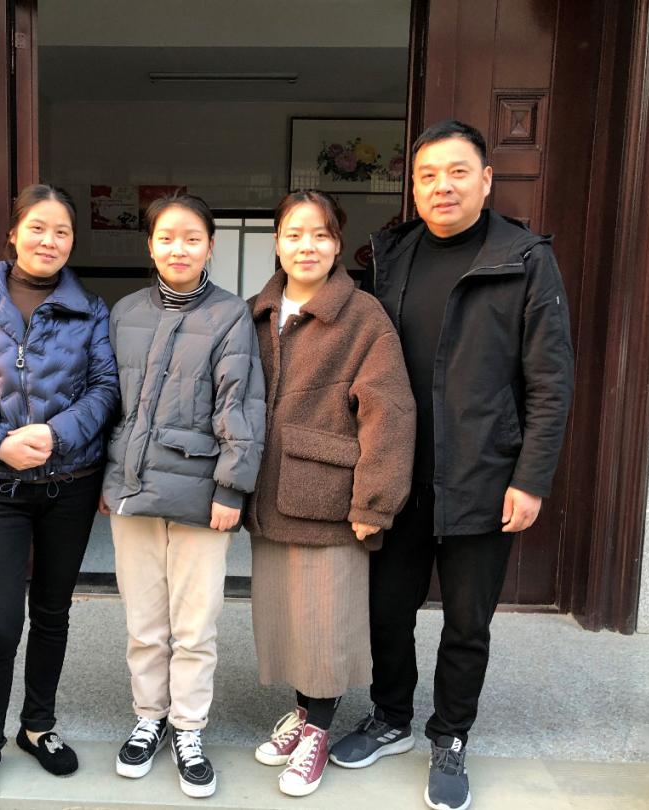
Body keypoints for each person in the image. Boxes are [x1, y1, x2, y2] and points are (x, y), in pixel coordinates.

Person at [329, 120, 574, 810]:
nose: (443, 186)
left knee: (467, 622)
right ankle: (390, 716)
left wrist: (531, 478)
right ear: (414, 188)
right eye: (428, 175)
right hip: (397, 472)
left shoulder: (524, 259)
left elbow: (552, 381)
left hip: (483, 475)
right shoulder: (391, 254)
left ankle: (451, 734)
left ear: (487, 180)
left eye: (458, 172)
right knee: (386, 610)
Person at [0, 184, 119, 808]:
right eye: (38, 227)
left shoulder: (89, 309)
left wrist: (56, 435)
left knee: (53, 612)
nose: (49, 240)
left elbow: (104, 388)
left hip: (69, 483)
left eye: (62, 231)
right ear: (14, 233)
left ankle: (37, 726)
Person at [246, 190, 415, 797]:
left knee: (324, 621)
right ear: (277, 242)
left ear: (338, 243)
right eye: (294, 234)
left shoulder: (363, 316)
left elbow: (389, 412)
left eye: (320, 234)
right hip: (270, 494)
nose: (307, 246)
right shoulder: (257, 312)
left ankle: (318, 730)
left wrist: (375, 501)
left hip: (332, 499)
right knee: (287, 619)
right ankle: (303, 713)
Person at [101, 192, 266, 799]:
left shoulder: (229, 314)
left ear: (210, 247)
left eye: (192, 238)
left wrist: (231, 487)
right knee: (145, 621)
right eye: (167, 237)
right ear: (150, 245)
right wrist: (108, 478)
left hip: (201, 494)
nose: (179, 248)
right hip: (133, 491)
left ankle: (189, 728)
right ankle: (150, 718)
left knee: (195, 625)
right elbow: (109, 403)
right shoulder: (125, 312)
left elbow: (241, 404)